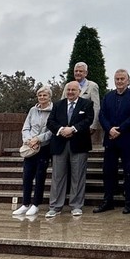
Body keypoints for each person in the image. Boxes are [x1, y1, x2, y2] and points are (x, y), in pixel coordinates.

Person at [94, 69, 130, 214]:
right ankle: (108, 201)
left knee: (128, 172)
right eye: (117, 79)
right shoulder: (108, 96)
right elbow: (102, 115)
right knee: (108, 171)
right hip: (110, 140)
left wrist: (119, 129)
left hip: (127, 139)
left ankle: (129, 202)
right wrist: (110, 129)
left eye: (122, 79)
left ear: (128, 80)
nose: (119, 81)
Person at [45, 81, 94, 218]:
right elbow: (50, 122)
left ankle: (76, 205)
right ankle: (55, 207)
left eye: (73, 90)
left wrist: (72, 129)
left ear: (79, 91)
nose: (71, 92)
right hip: (60, 144)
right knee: (57, 177)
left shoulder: (86, 104)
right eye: (68, 90)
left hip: (79, 144)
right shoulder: (58, 104)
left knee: (78, 176)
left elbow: (88, 120)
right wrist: (61, 130)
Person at [12, 86, 54, 217]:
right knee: (27, 176)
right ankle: (25, 203)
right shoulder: (32, 110)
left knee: (40, 176)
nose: (42, 98)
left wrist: (38, 139)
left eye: (44, 95)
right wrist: (29, 140)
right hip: (30, 147)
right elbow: (26, 127)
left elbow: (52, 130)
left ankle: (35, 204)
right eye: (40, 95)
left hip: (43, 147)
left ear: (49, 97)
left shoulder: (54, 110)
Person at [73, 62, 102, 147]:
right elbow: (63, 104)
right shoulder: (69, 85)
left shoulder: (92, 86)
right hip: (70, 126)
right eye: (76, 71)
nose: (78, 73)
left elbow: (96, 106)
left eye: (81, 71)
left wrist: (93, 125)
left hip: (85, 125)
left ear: (86, 73)